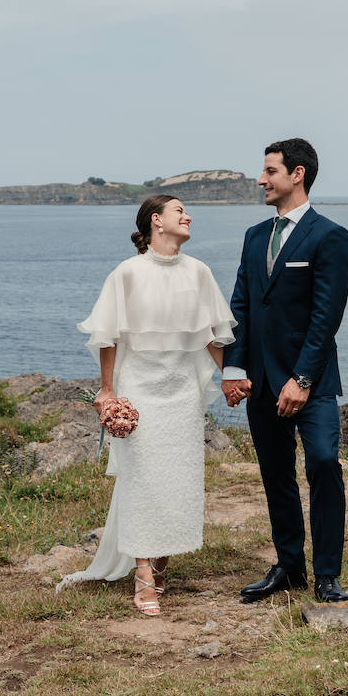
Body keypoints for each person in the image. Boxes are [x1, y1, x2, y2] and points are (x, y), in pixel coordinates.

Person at [57, 194, 236, 616]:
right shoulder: (127, 274)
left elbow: (212, 335)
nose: (188, 216)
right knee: (142, 479)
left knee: (179, 479)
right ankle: (142, 576)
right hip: (139, 388)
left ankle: (160, 564)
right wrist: (107, 391)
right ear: (157, 221)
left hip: (182, 392)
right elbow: (108, 335)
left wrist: (233, 377)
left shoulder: (199, 271)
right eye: (179, 211)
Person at [221, 138, 348, 604]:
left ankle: (328, 573)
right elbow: (240, 304)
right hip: (259, 381)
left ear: (296, 174)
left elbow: (326, 316)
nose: (261, 180)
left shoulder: (329, 236)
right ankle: (289, 567)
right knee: (275, 474)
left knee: (322, 463)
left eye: (270, 171)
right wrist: (233, 368)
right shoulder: (255, 236)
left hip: (309, 382)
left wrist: (302, 380)